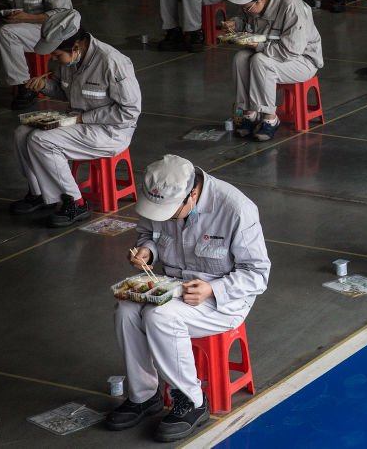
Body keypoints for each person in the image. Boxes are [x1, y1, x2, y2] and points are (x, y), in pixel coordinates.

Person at [108, 154, 270, 442]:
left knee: (159, 316)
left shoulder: (236, 209)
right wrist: (147, 251)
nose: (166, 217)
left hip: (223, 298)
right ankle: (144, 395)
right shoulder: (159, 195)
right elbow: (149, 233)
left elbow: (258, 275)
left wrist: (213, 290)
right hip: (172, 285)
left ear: (192, 194)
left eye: (171, 211)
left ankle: (192, 401)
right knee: (126, 309)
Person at [11, 10, 141, 227]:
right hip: (79, 122)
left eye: (56, 55)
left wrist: (84, 118)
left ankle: (76, 202)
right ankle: (40, 193)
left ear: (76, 47)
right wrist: (46, 86)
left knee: (40, 141)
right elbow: (68, 92)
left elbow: (129, 112)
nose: (54, 60)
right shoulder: (70, 61)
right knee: (22, 133)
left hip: (111, 130)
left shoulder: (112, 63)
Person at [224, 0, 323, 142]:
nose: (244, 10)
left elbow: (291, 51)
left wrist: (258, 46)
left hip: (302, 59)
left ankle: (270, 117)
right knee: (240, 58)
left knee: (259, 61)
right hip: (270, 52)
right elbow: (250, 23)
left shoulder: (291, 8)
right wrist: (236, 24)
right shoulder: (253, 5)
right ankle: (248, 112)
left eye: (246, 7)